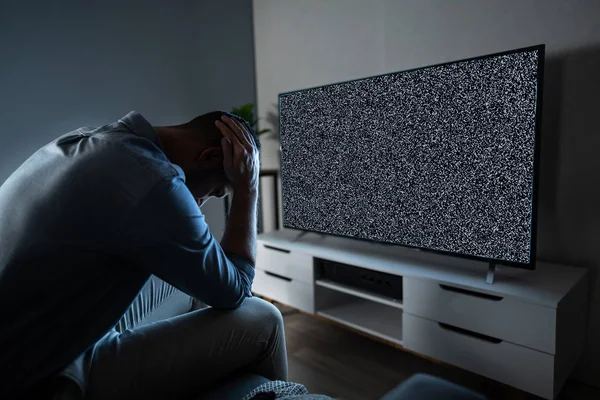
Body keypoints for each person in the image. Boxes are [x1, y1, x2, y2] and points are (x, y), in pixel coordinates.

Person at [0, 111, 287, 399]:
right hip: (45, 377)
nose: (202, 202)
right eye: (217, 190)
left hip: (37, 337)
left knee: (194, 282)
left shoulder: (90, 139)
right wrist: (247, 188)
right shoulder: (153, 179)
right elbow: (237, 288)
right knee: (264, 318)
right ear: (210, 157)